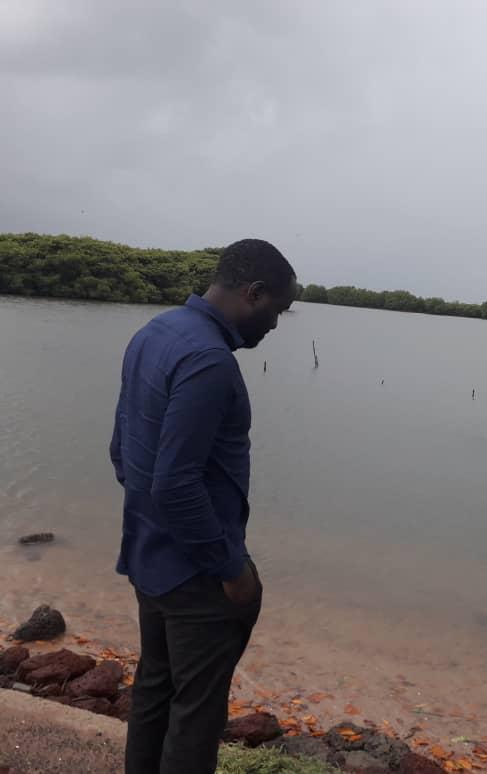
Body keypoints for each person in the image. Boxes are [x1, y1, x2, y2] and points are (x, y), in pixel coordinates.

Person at [110, 239, 297, 773]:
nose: (276, 325)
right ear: (253, 293)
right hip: (197, 574)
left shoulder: (156, 333)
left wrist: (150, 523)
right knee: (196, 715)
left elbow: (122, 451)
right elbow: (176, 483)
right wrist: (229, 568)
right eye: (277, 311)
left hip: (149, 556)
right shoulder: (209, 361)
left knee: (154, 690)